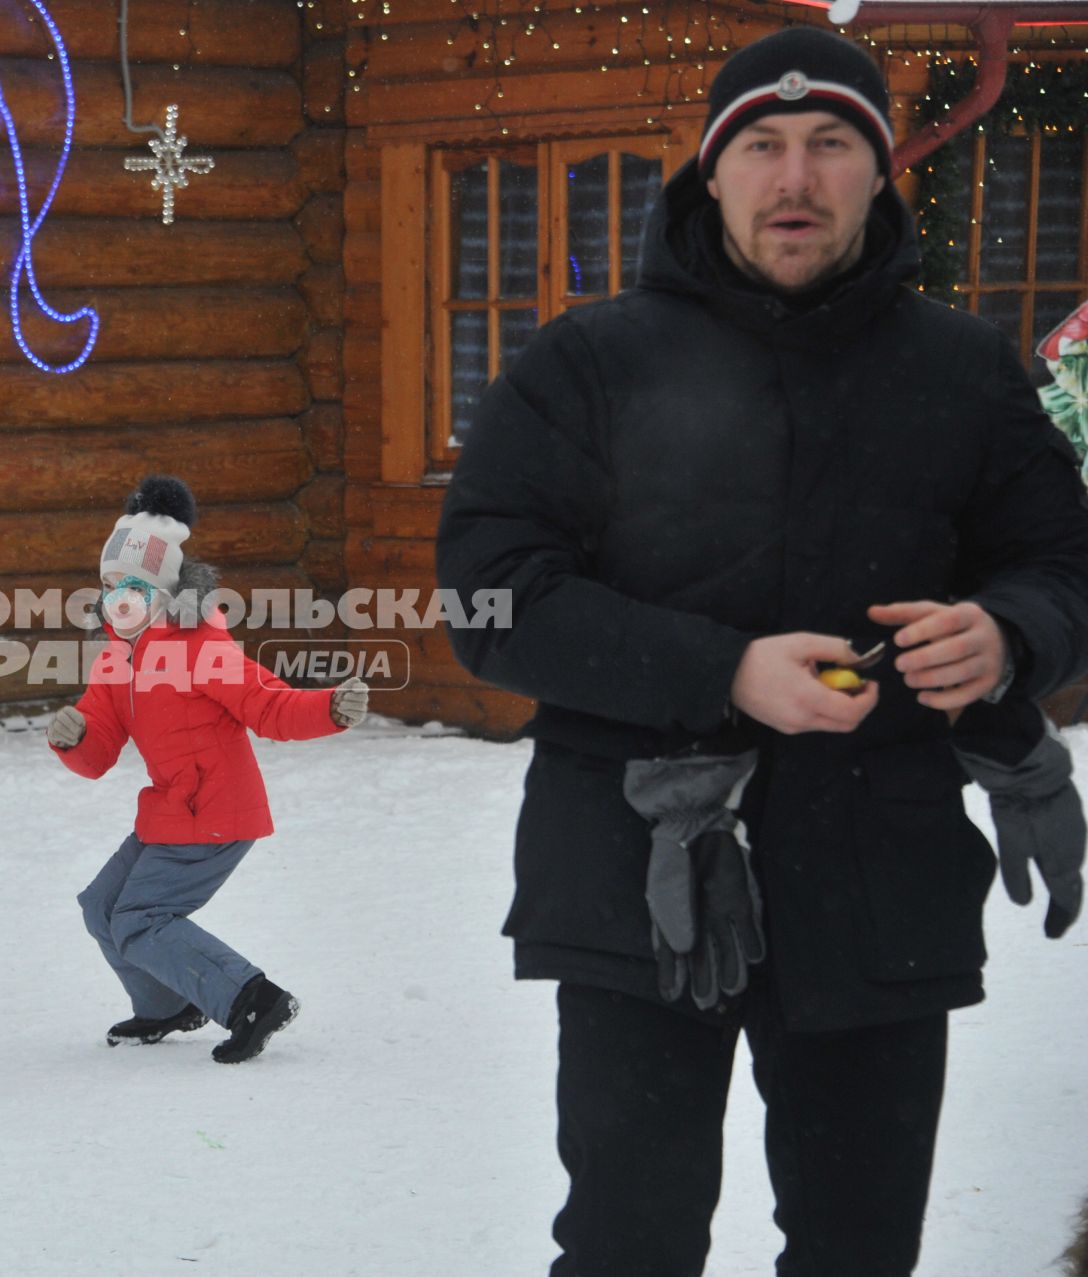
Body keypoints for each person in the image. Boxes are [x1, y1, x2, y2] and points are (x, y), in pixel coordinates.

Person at [435, 27, 1088, 1276]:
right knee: (631, 1242)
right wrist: (720, 670)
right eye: (765, 147)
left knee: (858, 1250)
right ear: (713, 171)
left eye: (832, 144)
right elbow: (487, 598)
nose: (797, 178)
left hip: (879, 876)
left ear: (879, 170)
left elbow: (1066, 566)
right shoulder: (589, 362)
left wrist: (1011, 633)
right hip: (639, 873)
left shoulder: (960, 370)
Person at [49, 476, 368, 1063]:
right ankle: (168, 1004)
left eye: (135, 586)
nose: (119, 597)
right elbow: (96, 756)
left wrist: (330, 708)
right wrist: (72, 737)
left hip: (216, 812)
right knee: (103, 907)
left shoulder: (201, 647)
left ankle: (251, 999)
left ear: (165, 591)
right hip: (172, 811)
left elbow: (269, 705)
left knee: (141, 919)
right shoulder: (117, 660)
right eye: (111, 584)